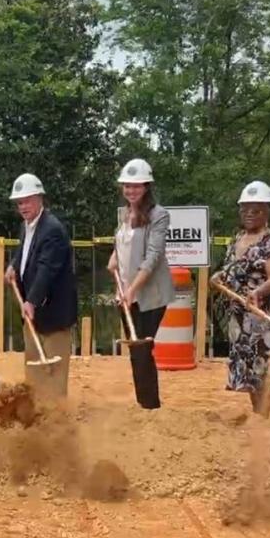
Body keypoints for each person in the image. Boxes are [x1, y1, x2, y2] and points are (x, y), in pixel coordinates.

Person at [212, 180, 270, 417]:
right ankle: (258, 415)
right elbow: (235, 269)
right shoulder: (237, 239)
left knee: (266, 367)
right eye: (245, 209)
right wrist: (220, 276)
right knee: (251, 368)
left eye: (257, 209)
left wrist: (258, 292)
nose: (250, 213)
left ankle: (263, 416)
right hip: (243, 315)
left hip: (269, 313)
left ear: (268, 211)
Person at [106, 158, 174, 410]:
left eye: (136, 186)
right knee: (136, 352)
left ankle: (150, 406)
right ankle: (143, 403)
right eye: (127, 186)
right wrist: (114, 258)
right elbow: (122, 244)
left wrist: (133, 289)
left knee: (143, 349)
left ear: (146, 187)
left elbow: (152, 257)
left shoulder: (159, 215)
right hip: (125, 292)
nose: (131, 190)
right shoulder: (124, 214)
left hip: (149, 295)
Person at [3, 173, 77, 397]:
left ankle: (56, 421)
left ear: (39, 198)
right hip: (33, 314)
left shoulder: (52, 229)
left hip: (53, 313)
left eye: (27, 200)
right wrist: (13, 266)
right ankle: (36, 418)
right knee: (34, 368)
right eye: (19, 202)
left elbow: (47, 269)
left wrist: (31, 300)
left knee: (53, 371)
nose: (22, 206)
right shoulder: (26, 226)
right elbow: (24, 254)